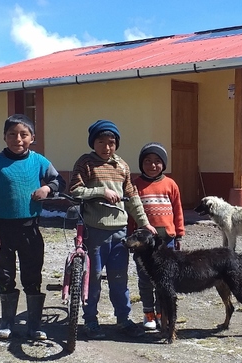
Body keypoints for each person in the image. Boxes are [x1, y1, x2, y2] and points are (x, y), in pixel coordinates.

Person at [0, 114, 66, 341]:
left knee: (32, 276)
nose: (18, 139)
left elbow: (59, 181)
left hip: (31, 230)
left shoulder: (39, 162)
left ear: (32, 137)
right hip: (2, 231)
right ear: (4, 137)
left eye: (23, 134)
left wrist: (47, 189)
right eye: (12, 134)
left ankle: (34, 326)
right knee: (5, 276)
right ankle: (7, 322)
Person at [68, 119, 157, 339]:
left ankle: (123, 319)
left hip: (120, 232)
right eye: (101, 142)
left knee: (119, 278)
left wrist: (145, 222)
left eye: (111, 142)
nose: (107, 147)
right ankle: (90, 321)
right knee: (94, 278)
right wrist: (101, 191)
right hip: (94, 230)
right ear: (93, 142)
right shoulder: (85, 163)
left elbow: (133, 198)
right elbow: (74, 191)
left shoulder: (122, 166)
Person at [130, 142, 185, 330]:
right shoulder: (135, 185)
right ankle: (149, 314)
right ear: (141, 163)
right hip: (143, 246)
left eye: (157, 161)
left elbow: (178, 211)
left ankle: (163, 314)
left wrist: (179, 235)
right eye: (147, 161)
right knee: (145, 280)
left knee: (164, 281)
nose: (152, 165)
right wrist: (131, 239)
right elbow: (131, 214)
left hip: (166, 243)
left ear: (164, 164)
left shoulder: (171, 184)